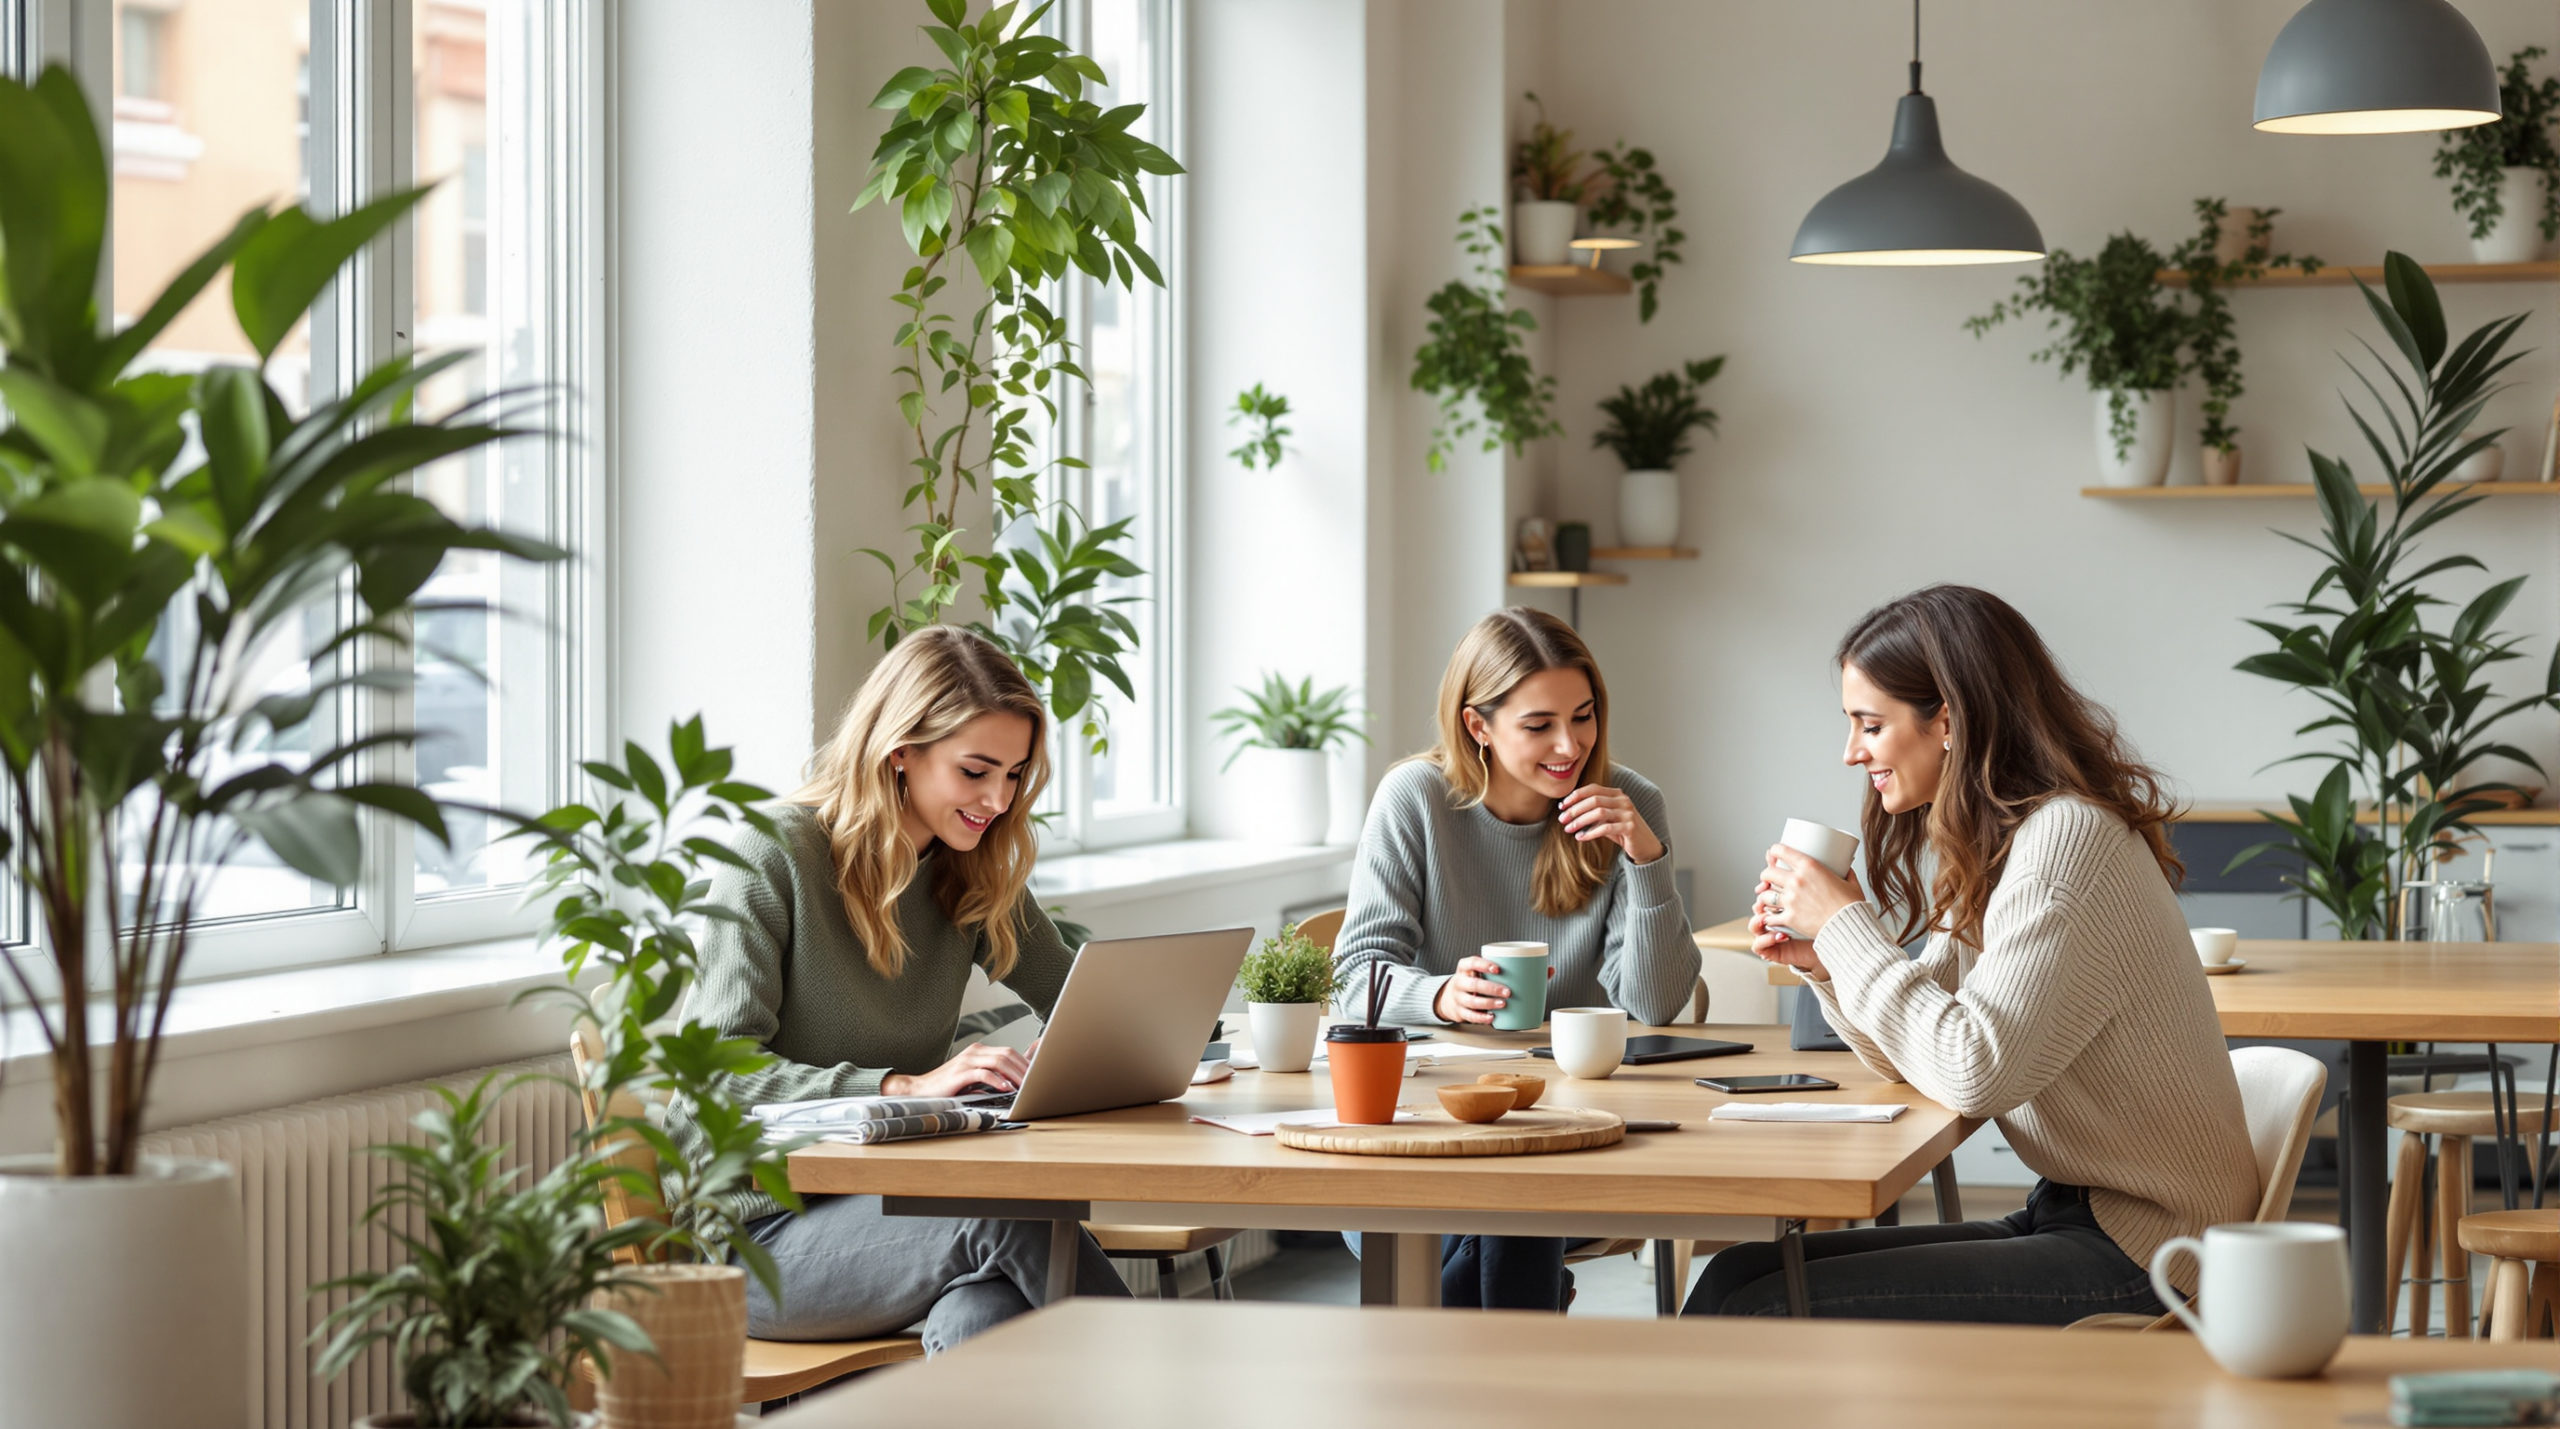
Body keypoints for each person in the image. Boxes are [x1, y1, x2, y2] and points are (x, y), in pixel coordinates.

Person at [1687, 584, 2257, 1322]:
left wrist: (1850, 924)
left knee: (1760, 1303)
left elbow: (1973, 1070)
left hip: (2149, 1249)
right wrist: (1827, 960)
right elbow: (1913, 1053)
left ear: (1947, 720)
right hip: (2083, 1213)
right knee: (1737, 1275)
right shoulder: (2003, 842)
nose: (1851, 751)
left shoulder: (2064, 842)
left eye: (1869, 724)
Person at [673, 626, 1127, 1353]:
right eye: (976, 770)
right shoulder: (772, 853)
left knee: (985, 1319)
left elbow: (1083, 994)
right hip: (757, 1235)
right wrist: (904, 1085)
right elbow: (712, 1077)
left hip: (894, 1202)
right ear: (900, 752)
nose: (997, 798)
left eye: (1013, 775)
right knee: (1017, 1216)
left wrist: (1131, 1035)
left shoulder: (967, 868)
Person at [1333, 606, 1701, 1309]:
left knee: (1514, 1196)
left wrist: (1646, 859)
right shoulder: (1416, 800)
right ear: (1479, 726)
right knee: (1504, 1213)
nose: (1571, 743)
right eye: (1539, 725)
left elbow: (1654, 1004)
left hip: (1571, 1128)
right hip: (1425, 1128)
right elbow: (1355, 978)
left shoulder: (1630, 805)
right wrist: (1440, 996)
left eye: (1584, 715)